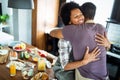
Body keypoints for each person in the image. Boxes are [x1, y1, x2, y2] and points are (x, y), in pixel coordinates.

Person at [50, 2, 108, 80]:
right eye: (76, 16)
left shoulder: (87, 31)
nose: (81, 18)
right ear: (70, 22)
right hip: (68, 68)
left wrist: (108, 44)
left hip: (81, 69)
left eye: (81, 14)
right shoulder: (64, 40)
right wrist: (84, 62)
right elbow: (65, 66)